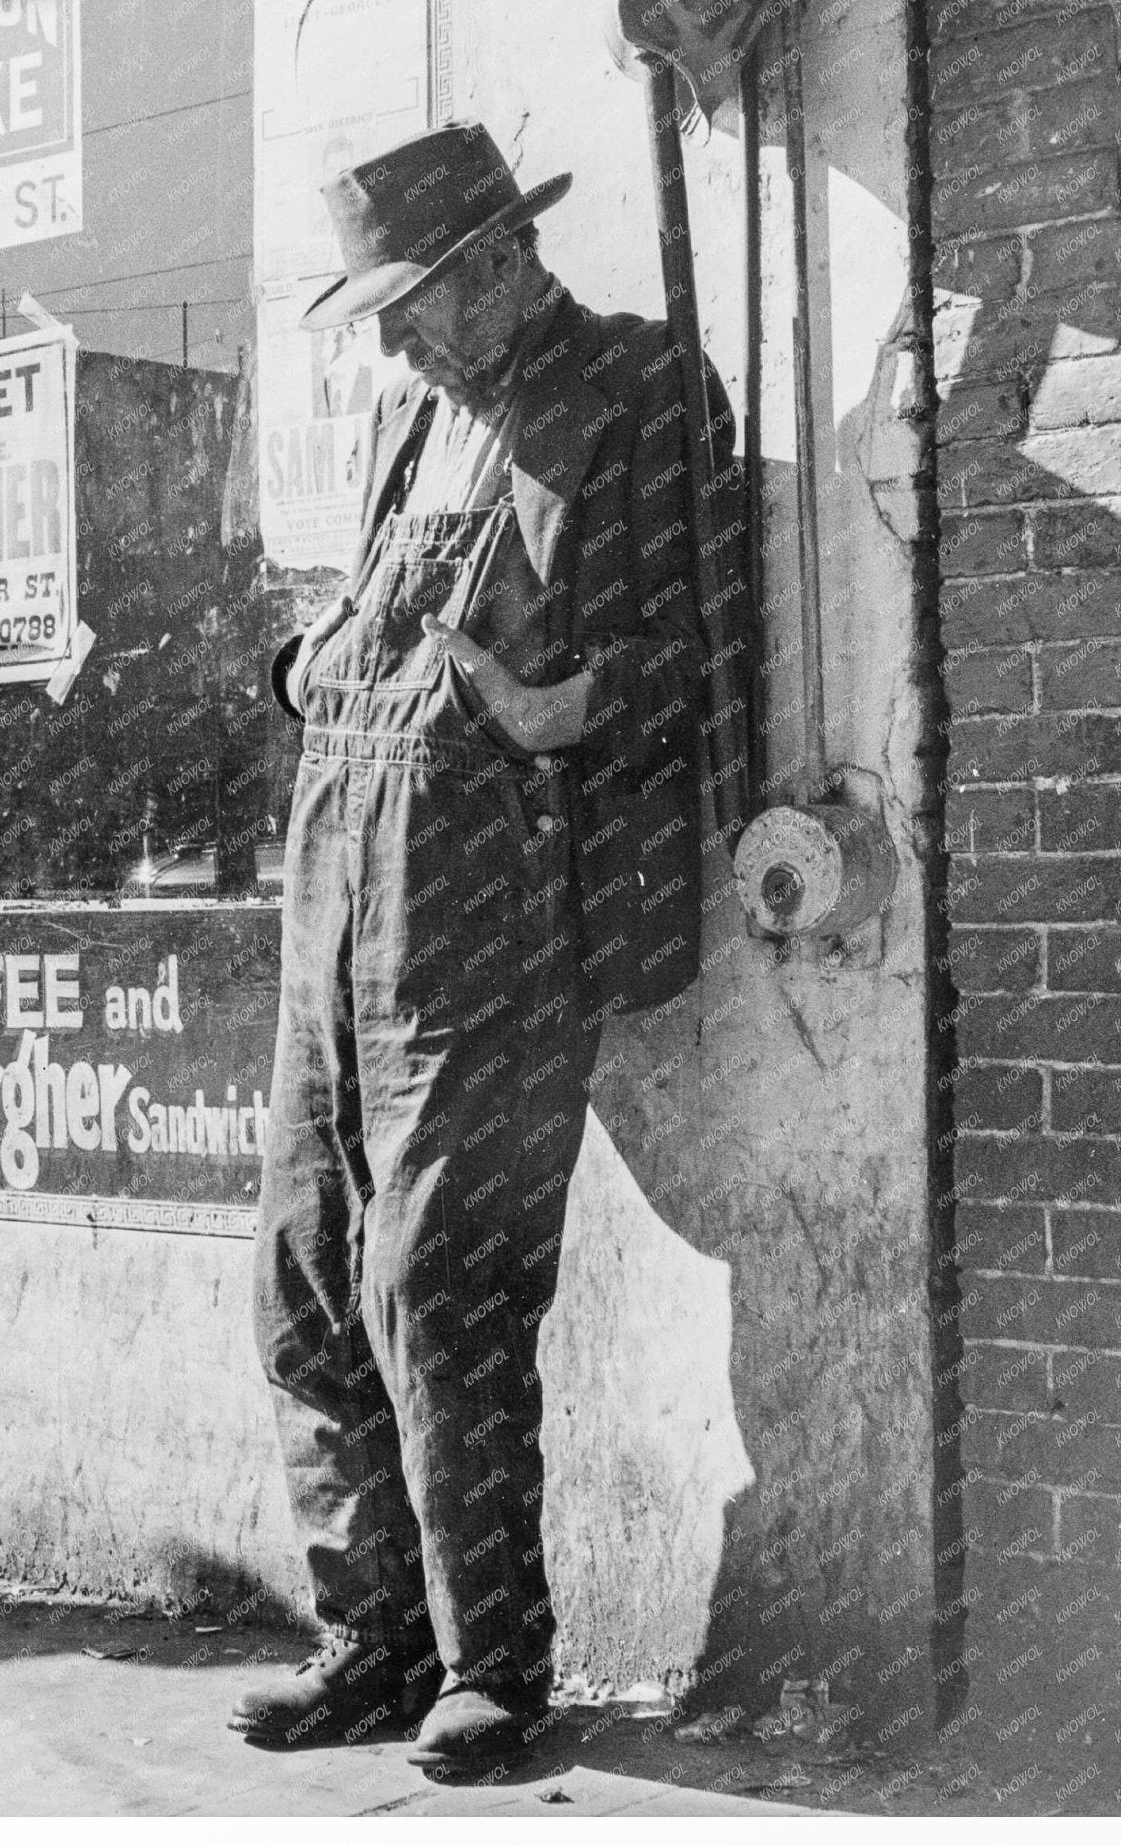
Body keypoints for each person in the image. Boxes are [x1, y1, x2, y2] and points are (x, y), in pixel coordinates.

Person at [230, 121, 734, 1778]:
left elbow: (702, 655)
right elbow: (366, 613)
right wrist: (306, 663)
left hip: (503, 896)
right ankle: (368, 1643)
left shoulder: (640, 390)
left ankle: (490, 1670)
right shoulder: (405, 410)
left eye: (414, 297)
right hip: (340, 883)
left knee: (435, 1278)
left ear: (505, 258)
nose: (387, 334)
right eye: (376, 306)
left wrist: (548, 706)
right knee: (306, 1277)